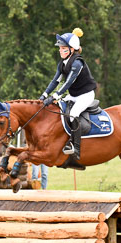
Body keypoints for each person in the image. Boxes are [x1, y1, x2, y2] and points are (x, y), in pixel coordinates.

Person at [39, 28, 97, 160]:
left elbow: (68, 83)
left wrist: (54, 96)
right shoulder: (62, 64)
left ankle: (76, 147)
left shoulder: (77, 63)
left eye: (63, 48)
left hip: (85, 95)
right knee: (57, 110)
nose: (60, 50)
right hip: (74, 95)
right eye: (59, 48)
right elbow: (55, 81)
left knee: (72, 115)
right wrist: (44, 95)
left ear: (72, 49)